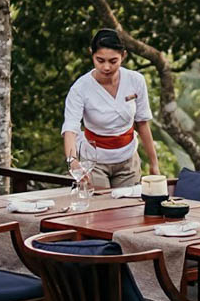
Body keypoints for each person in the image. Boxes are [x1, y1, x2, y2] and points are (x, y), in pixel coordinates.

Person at [61, 27, 160, 191]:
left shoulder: (136, 81)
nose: (106, 67)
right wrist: (73, 161)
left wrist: (154, 163)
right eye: (100, 60)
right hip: (94, 160)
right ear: (91, 55)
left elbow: (142, 123)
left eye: (113, 61)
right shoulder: (80, 88)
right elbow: (70, 128)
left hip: (128, 158)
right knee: (101, 209)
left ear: (123, 56)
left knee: (128, 209)